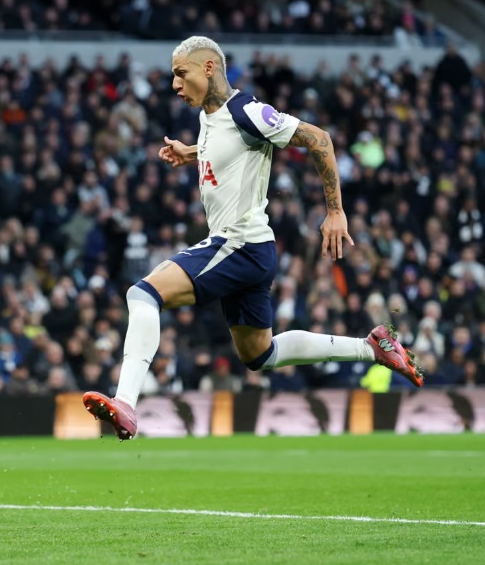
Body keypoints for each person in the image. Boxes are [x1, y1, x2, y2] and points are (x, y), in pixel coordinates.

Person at [83, 36, 423, 440]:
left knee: (143, 294)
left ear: (209, 68)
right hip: (252, 252)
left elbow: (319, 139)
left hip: (238, 244)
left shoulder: (247, 110)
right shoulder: (211, 116)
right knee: (260, 355)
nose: (174, 85)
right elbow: (230, 146)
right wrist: (191, 153)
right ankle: (372, 347)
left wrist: (335, 211)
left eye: (181, 73)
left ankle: (125, 402)